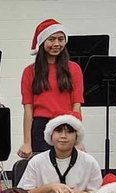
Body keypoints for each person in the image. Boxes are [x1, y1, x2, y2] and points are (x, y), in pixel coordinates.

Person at [18, 19, 84, 157]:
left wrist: (77, 136)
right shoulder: (29, 71)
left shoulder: (74, 69)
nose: (56, 44)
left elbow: (76, 105)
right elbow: (28, 108)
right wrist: (27, 142)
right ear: (42, 42)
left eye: (61, 39)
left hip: (67, 123)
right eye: (51, 39)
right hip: (40, 127)